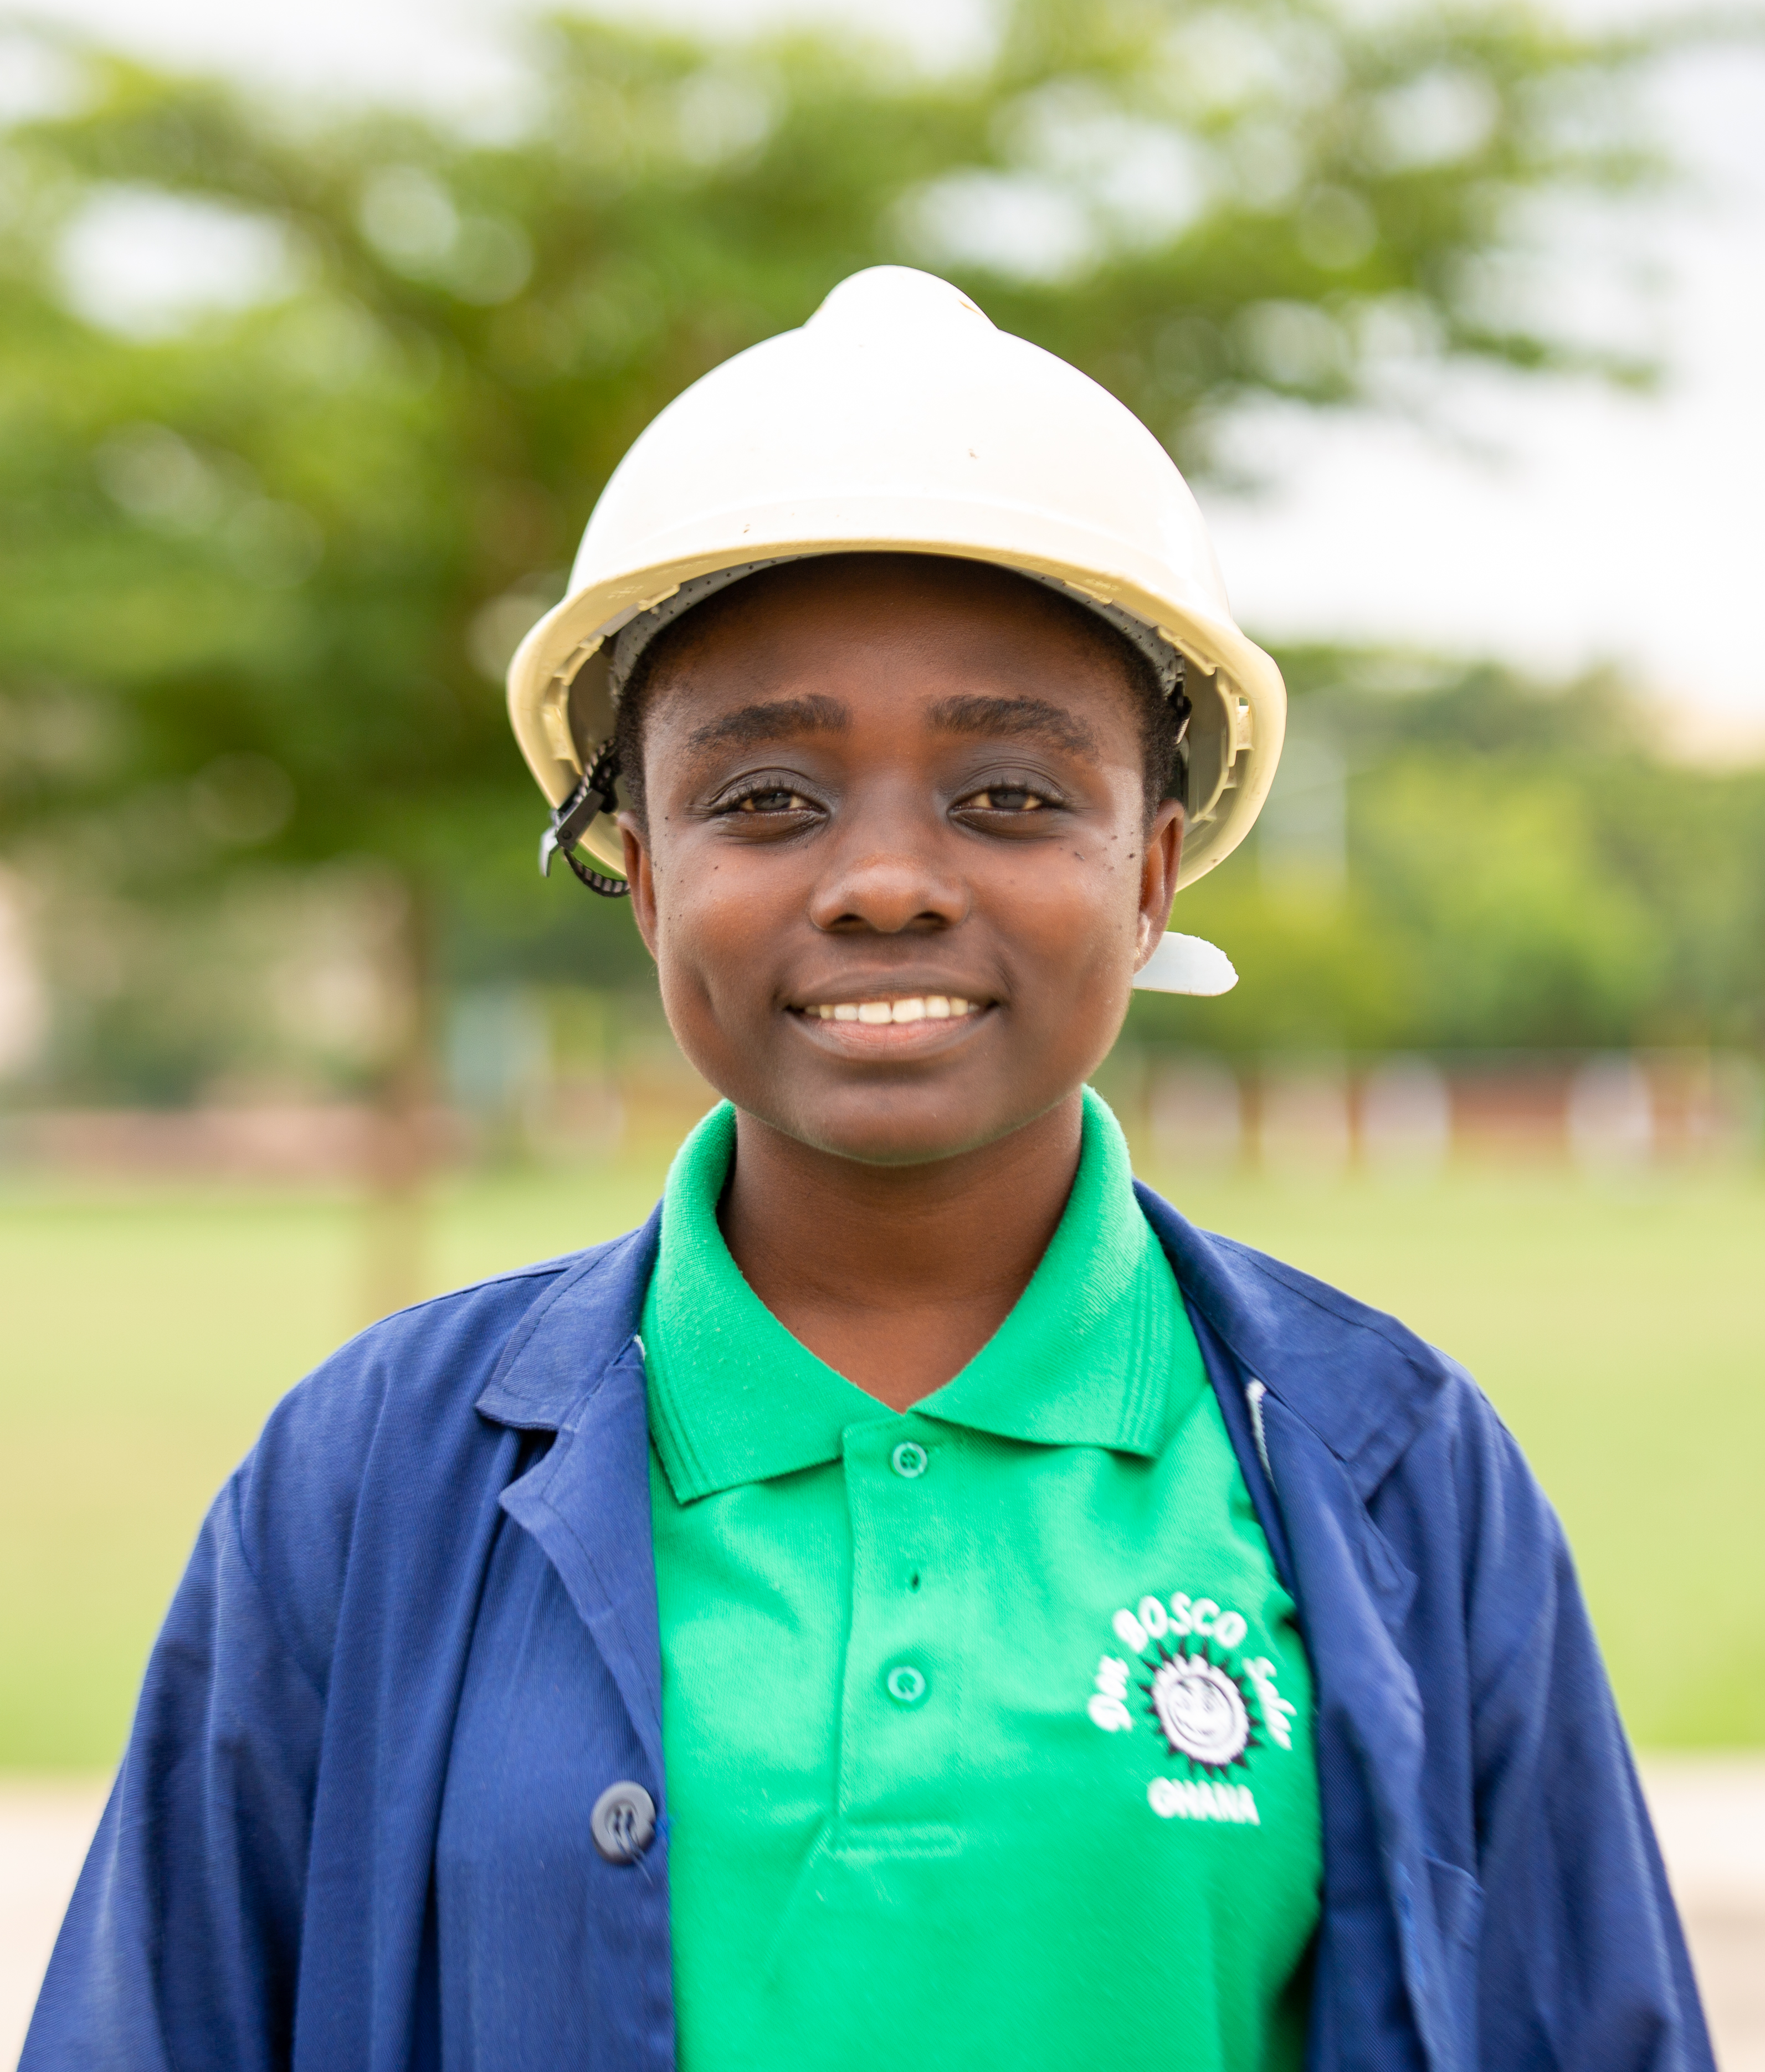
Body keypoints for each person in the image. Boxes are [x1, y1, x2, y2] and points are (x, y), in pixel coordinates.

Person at [25, 268, 1711, 2072]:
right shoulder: (367, 1476)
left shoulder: (1387, 1468)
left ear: (1149, 873)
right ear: (643, 868)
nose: (885, 881)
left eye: (1008, 794)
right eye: (765, 798)